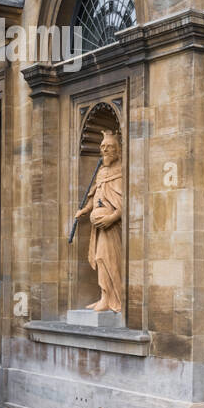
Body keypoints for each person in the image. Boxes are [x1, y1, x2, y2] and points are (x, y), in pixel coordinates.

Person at [74, 130, 124, 313]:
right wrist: (85, 210)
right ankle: (105, 296)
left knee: (107, 259)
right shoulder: (101, 172)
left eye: (109, 147)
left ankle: (113, 298)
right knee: (100, 259)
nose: (105, 150)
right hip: (100, 227)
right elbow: (96, 194)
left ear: (117, 150)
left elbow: (128, 199)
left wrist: (112, 217)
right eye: (102, 147)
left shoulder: (123, 171)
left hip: (113, 226)